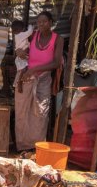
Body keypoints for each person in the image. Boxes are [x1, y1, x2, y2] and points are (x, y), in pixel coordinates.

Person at [14, 11, 63, 153]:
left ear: (51, 22)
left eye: (44, 22)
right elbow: (22, 47)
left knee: (40, 113)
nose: (41, 24)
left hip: (44, 79)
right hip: (26, 77)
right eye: (38, 22)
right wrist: (19, 52)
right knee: (22, 112)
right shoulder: (33, 35)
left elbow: (56, 63)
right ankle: (23, 146)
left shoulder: (57, 39)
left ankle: (37, 147)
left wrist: (35, 70)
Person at [10, 19, 32, 94]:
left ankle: (17, 82)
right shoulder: (21, 35)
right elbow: (30, 32)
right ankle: (19, 83)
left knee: (21, 70)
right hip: (21, 57)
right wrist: (30, 26)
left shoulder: (16, 36)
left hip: (20, 57)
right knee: (23, 70)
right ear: (22, 29)